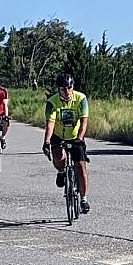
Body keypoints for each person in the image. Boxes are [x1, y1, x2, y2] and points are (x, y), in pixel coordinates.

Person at [42, 73, 91, 213]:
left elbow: (84, 121)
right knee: (57, 156)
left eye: (70, 88)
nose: (67, 91)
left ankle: (83, 199)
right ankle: (62, 172)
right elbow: (50, 124)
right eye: (63, 89)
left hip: (75, 136)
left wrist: (80, 138)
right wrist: (46, 142)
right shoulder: (52, 102)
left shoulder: (81, 98)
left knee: (81, 167)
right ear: (58, 89)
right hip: (58, 134)